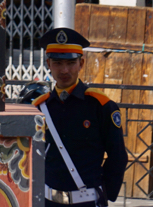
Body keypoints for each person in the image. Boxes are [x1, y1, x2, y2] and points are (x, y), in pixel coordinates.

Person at [34, 27, 127, 207]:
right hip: (47, 201)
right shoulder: (39, 107)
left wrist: (103, 193)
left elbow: (118, 156)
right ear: (48, 64)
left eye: (70, 63)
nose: (64, 70)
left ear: (81, 64)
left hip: (87, 201)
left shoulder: (100, 105)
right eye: (57, 63)